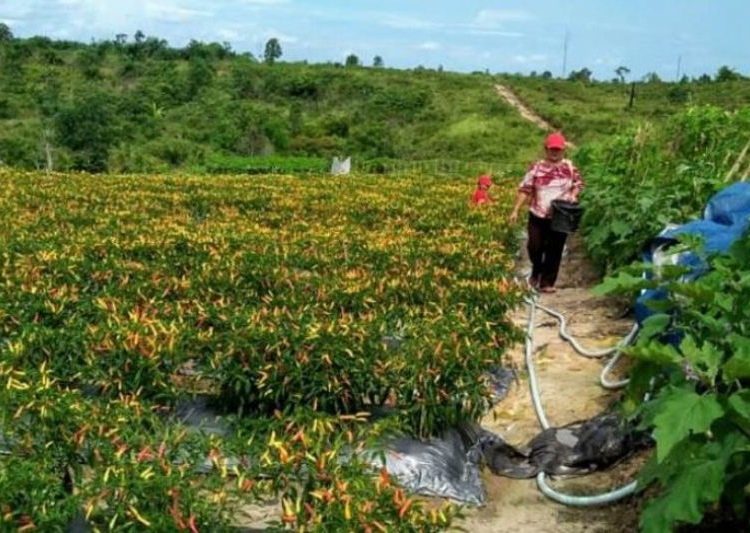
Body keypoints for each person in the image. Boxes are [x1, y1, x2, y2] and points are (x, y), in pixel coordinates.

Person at [508, 132, 583, 293]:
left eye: (558, 150)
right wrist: (515, 210)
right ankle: (537, 270)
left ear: (563, 150)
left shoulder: (569, 168)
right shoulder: (537, 168)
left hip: (560, 215)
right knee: (534, 246)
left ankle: (547, 282)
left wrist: (573, 196)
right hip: (538, 213)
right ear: (546, 149)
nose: (555, 153)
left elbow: (577, 184)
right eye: (552, 149)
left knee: (555, 249)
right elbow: (525, 189)